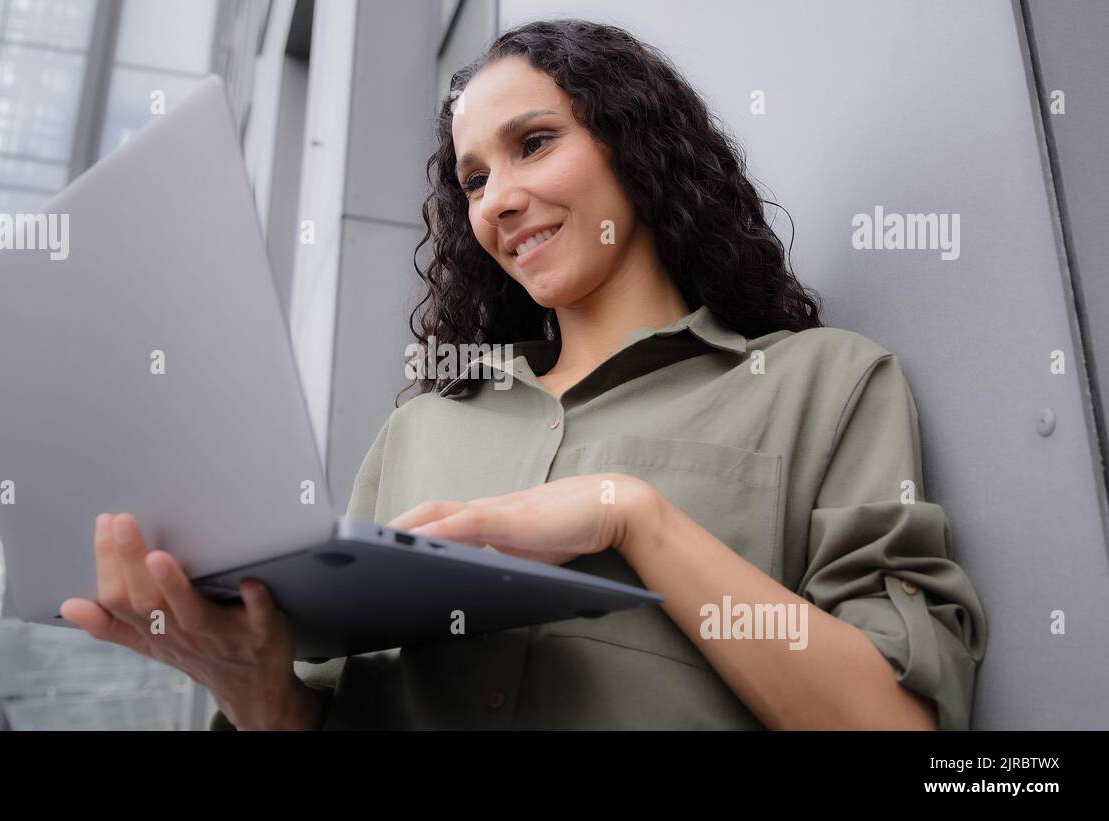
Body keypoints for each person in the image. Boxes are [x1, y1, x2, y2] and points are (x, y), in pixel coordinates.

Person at [60, 18, 987, 731]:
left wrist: (634, 514)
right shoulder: (421, 432)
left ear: (638, 144)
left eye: (533, 143)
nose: (497, 197)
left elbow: (894, 722)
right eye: (471, 180)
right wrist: (254, 686)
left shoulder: (825, 384)